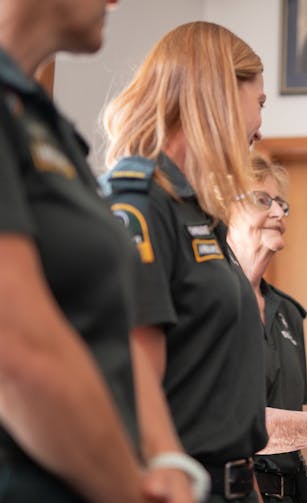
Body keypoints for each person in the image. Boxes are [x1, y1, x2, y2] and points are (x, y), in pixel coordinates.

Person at [102, 21, 307, 503]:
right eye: (259, 103)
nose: (260, 126)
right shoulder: (145, 203)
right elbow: (133, 377)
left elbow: (227, 404)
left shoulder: (198, 215)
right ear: (216, 94)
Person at [0, 1, 202, 502]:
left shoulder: (45, 125)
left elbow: (111, 328)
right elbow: (15, 348)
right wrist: (128, 489)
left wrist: (167, 461)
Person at [226, 153, 307, 503]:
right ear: (222, 210)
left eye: (281, 204)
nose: (278, 213)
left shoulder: (289, 313)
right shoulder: (208, 302)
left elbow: (294, 423)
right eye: (263, 200)